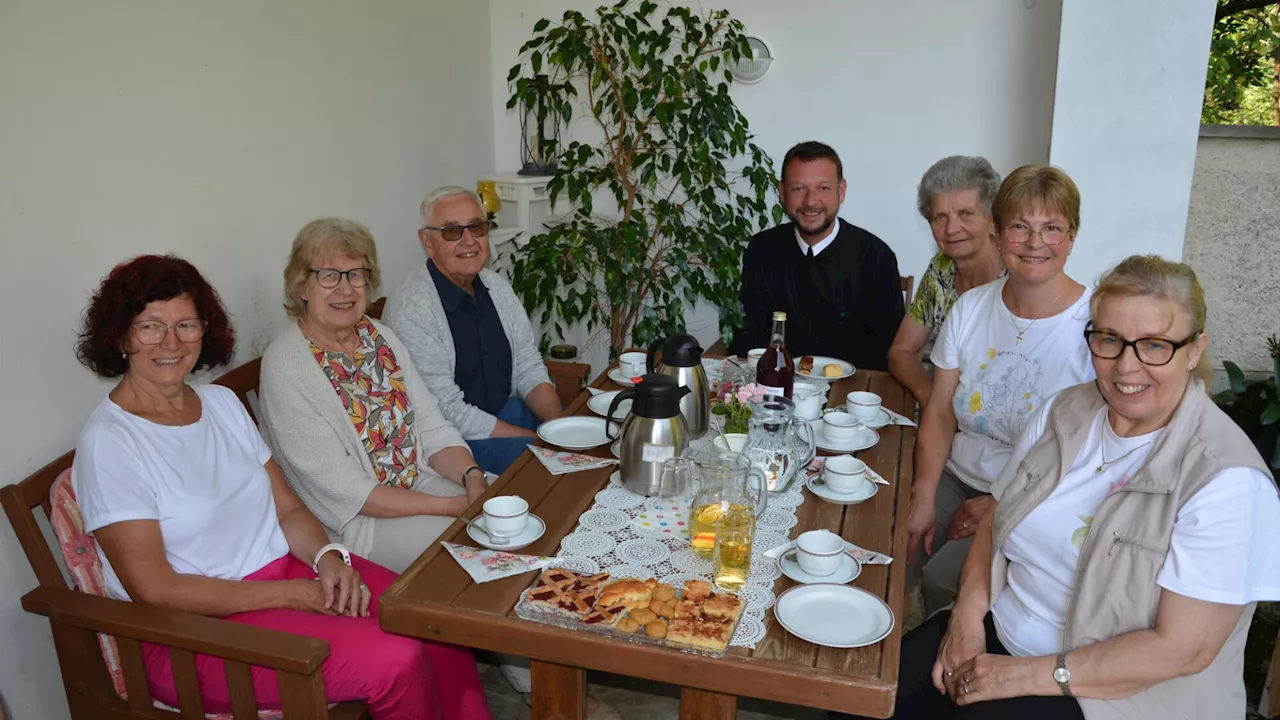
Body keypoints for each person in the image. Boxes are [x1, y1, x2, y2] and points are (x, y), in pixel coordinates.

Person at [852, 255, 1280, 720]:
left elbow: (1181, 650)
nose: (1126, 366)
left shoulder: (1228, 480)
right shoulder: (1064, 411)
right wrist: (965, 619)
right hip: (1002, 632)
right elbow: (995, 516)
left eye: (1154, 345)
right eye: (1109, 340)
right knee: (856, 696)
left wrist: (1017, 676)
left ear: (1195, 350)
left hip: (1113, 695)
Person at [71, 254, 489, 720]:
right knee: (399, 660)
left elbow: (288, 511)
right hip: (195, 632)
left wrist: (329, 557)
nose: (171, 342)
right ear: (121, 334)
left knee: (431, 619)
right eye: (150, 326)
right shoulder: (111, 444)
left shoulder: (221, 404)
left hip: (285, 575)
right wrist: (291, 595)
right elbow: (156, 588)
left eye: (186, 325)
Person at [906, 165, 1096, 617]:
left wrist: (998, 500)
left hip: (1036, 493)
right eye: (1019, 227)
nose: (1035, 243)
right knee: (894, 550)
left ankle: (943, 668)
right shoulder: (971, 308)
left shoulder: (1094, 325)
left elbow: (1086, 446)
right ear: (998, 232)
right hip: (957, 474)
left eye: (1052, 228)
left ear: (1072, 236)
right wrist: (924, 494)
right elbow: (939, 414)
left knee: (943, 579)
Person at [259, 218, 487, 575]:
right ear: (302, 286)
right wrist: (453, 507)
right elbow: (348, 491)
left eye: (356, 274)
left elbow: (431, 426)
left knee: (514, 510)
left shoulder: (378, 336)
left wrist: (473, 477)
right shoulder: (286, 366)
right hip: (356, 523)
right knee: (477, 551)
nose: (345, 289)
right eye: (329, 275)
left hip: (420, 482)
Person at [383, 186, 563, 476]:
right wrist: (537, 441)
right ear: (427, 242)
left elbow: (529, 366)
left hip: (507, 412)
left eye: (476, 228)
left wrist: (560, 428)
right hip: (453, 440)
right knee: (547, 469)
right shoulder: (411, 308)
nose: (469, 241)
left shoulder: (496, 287)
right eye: (452, 231)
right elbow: (446, 410)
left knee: (586, 444)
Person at [728, 141, 904, 371]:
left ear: (841, 191)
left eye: (823, 188)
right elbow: (749, 335)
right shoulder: (762, 249)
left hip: (849, 391)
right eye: (798, 189)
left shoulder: (876, 257)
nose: (810, 201)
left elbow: (885, 349)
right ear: (782, 193)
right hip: (779, 386)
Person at [889, 156, 1006, 409]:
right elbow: (901, 352)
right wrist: (932, 398)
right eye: (940, 217)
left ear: (992, 219)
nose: (952, 229)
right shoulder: (941, 270)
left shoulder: (1014, 276)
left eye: (966, 214)